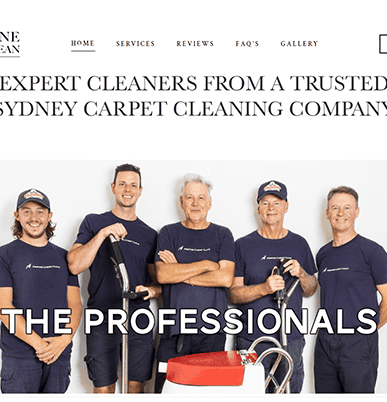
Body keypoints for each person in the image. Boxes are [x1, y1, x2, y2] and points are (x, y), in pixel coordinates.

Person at [67, 164, 159, 393]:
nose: (127, 189)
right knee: (103, 388)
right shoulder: (93, 222)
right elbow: (75, 264)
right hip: (102, 317)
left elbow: (159, 282)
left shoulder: (149, 234)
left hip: (138, 319)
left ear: (140, 191)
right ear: (113, 187)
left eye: (133, 185)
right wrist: (103, 233)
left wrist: (153, 291)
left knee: (136, 387)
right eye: (122, 184)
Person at [0, 188, 81, 393]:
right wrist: (39, 344)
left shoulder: (64, 257)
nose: (34, 217)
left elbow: (74, 304)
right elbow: (3, 308)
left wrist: (64, 339)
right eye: (27, 211)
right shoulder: (3, 255)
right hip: (20, 356)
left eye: (40, 211)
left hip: (59, 355)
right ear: (17, 215)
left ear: (49, 216)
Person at [229, 180, 317, 393]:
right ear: (258, 208)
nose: (271, 208)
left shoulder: (300, 244)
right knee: (249, 392)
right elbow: (233, 294)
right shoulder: (242, 245)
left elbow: (311, 288)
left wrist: (302, 273)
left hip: (291, 337)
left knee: (288, 391)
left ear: (286, 206)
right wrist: (264, 288)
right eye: (265, 203)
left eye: (277, 203)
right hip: (251, 338)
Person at [154, 173, 235, 393]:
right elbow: (162, 275)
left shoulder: (223, 234)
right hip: (174, 331)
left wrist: (180, 272)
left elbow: (225, 278)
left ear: (210, 202)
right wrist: (207, 263)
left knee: (207, 393)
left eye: (201, 198)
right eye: (190, 198)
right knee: (166, 392)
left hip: (212, 331)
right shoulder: (169, 233)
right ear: (181, 202)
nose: (195, 203)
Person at [314, 186, 387, 393]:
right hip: (325, 341)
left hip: (357, 344)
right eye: (335, 208)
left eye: (347, 207)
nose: (340, 213)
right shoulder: (323, 254)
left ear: (357, 212)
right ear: (327, 213)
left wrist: (365, 331)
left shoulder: (372, 251)